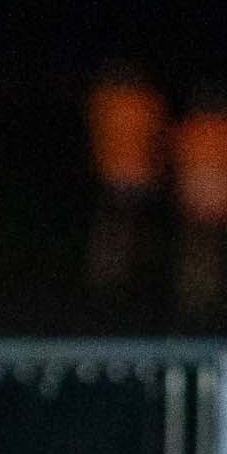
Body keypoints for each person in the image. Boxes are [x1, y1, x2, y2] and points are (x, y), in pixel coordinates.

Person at [167, 78, 227, 321]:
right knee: (214, 251)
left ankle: (204, 299)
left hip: (204, 201)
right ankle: (209, 300)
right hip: (219, 202)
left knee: (203, 251)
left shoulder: (194, 129)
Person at [84, 60, 167, 304]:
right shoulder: (142, 102)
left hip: (123, 176)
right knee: (124, 229)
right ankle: (116, 278)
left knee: (117, 229)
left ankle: (114, 278)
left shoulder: (113, 101)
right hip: (129, 176)